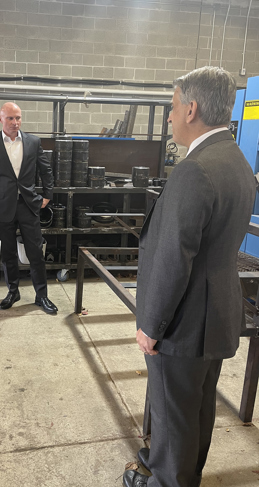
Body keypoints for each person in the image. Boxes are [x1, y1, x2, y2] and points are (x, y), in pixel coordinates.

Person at [123, 66, 256, 487]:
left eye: (173, 106)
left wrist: (151, 324)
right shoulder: (236, 161)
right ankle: (177, 470)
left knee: (173, 412)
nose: (169, 116)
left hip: (182, 322)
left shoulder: (194, 171)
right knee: (196, 407)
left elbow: (172, 259)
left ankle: (169, 480)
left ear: (192, 108)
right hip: (215, 313)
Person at [0, 102, 58, 314]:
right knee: (8, 253)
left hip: (28, 205)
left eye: (18, 118)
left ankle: (42, 296)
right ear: (0, 119)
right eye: (10, 118)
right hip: (1, 207)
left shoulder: (33, 142)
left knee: (35, 253)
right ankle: (13, 291)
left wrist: (47, 195)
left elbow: (46, 170)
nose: (15, 122)